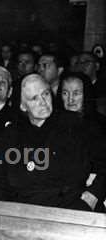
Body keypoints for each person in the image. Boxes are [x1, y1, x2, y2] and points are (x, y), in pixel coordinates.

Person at [0, 74, 97, 211]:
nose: (43, 102)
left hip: (68, 210)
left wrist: (93, 195)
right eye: (34, 98)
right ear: (22, 106)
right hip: (21, 211)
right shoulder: (10, 135)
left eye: (45, 94)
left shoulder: (74, 125)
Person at [58, 72, 106, 211]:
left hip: (92, 192)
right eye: (65, 93)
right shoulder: (53, 123)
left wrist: (94, 194)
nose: (70, 99)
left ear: (86, 95)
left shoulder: (101, 125)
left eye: (76, 93)